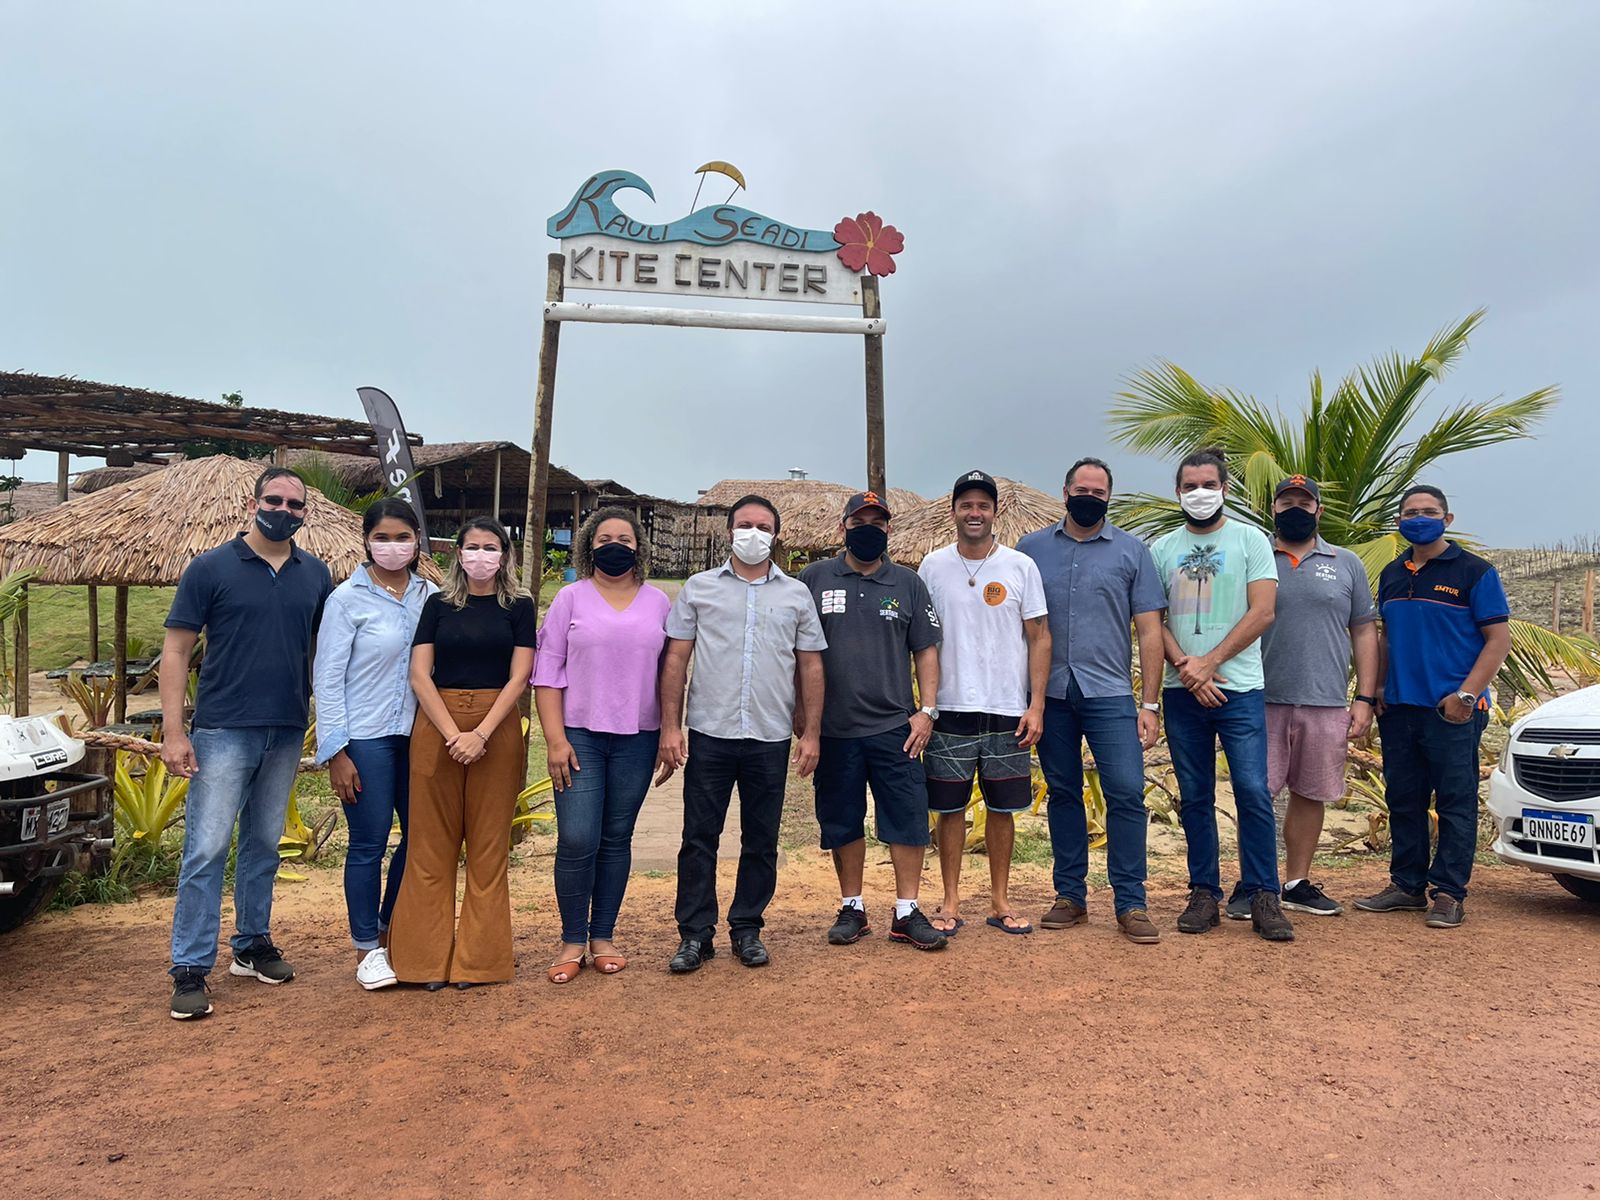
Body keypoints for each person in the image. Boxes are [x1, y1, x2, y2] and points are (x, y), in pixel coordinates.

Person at [161, 466, 333, 1020]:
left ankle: (252, 944)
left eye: (294, 504)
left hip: (285, 729)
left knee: (263, 844)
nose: (283, 510)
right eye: (274, 500)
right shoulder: (210, 568)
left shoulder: (316, 575)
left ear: (305, 513)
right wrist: (173, 731)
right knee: (207, 849)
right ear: (254, 503)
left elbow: (323, 652)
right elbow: (176, 651)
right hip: (223, 729)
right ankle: (190, 966)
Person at [657, 494, 826, 973]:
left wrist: (811, 733)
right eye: (745, 525)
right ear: (729, 532)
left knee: (761, 839)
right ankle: (695, 934)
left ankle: (747, 928)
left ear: (776, 535)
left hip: (769, 736)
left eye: (763, 527)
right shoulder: (699, 588)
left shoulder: (796, 595)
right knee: (698, 837)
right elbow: (676, 659)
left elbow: (811, 666)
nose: (754, 533)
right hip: (710, 732)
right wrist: (671, 726)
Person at [1017, 457, 1166, 944]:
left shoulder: (1132, 551)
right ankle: (1070, 896)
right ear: (1065, 493)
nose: (1089, 498)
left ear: (1109, 498)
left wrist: (1149, 704)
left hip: (1110, 694)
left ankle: (1131, 902)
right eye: (1081, 490)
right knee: (1062, 792)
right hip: (1051, 694)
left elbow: (1150, 630)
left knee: (1125, 791)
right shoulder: (1031, 549)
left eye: (1098, 493)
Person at [1151, 448, 1293, 942]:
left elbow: (1263, 611)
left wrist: (1209, 663)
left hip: (1241, 690)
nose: (1199, 493)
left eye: (1208, 485)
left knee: (1253, 790)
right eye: (1190, 486)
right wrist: (1187, 669)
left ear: (1225, 489)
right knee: (1195, 795)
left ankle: (1263, 894)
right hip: (1182, 692)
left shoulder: (1251, 540)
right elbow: (1151, 620)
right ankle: (1203, 893)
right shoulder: (1161, 548)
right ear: (1178, 492)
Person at [388, 517, 535, 988]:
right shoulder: (438, 605)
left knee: (488, 850)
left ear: (504, 555)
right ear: (458, 553)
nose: (481, 556)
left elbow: (520, 677)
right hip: (438, 726)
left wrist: (481, 734)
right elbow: (419, 675)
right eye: (473, 547)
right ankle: (422, 963)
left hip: (497, 726)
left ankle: (480, 963)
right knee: (430, 847)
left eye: (491, 547)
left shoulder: (519, 607)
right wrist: (454, 733)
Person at [798, 491, 948, 951]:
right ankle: (852, 908)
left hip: (895, 728)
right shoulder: (814, 579)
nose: (869, 530)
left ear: (888, 530)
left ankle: (906, 911)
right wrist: (804, 720)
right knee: (842, 819)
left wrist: (927, 711)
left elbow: (925, 650)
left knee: (907, 818)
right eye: (859, 522)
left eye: (877, 523)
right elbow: (796, 652)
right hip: (834, 729)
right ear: (842, 528)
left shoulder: (907, 583)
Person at [1355, 485, 1510, 928]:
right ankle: (1406, 886)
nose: (1418, 518)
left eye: (1428, 511)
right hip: (1399, 706)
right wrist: (1379, 686)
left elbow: (1498, 640)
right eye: (1410, 512)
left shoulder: (1474, 571)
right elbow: (1386, 636)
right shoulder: (1392, 573)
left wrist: (1466, 696)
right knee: (1404, 798)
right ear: (1398, 521)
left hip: (1453, 710)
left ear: (1447, 519)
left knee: (1455, 802)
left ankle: (1449, 893)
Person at [533, 507, 672, 983]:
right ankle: (572, 939)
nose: (615, 546)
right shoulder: (570, 598)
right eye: (605, 539)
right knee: (577, 838)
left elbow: (670, 673)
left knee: (615, 838)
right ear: (588, 547)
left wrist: (670, 731)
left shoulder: (658, 602)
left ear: (639, 548)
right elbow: (547, 672)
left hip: (638, 737)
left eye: (625, 540)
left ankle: (603, 937)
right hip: (579, 737)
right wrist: (555, 740)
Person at [918, 470, 1050, 936]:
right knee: (949, 808)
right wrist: (926, 705)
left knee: (1002, 807)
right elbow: (921, 640)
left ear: (996, 512)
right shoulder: (932, 566)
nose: (974, 513)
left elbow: (1039, 637)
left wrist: (1036, 705)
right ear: (953, 511)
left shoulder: (1020, 566)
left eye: (983, 506)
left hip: (1007, 708)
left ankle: (1000, 900)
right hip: (949, 707)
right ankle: (950, 900)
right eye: (966, 505)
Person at [313, 498, 437, 990]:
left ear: (417, 541)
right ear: (366, 541)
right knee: (369, 842)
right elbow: (327, 678)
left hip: (419, 735)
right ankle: (366, 948)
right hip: (365, 738)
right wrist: (336, 752)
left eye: (402, 537)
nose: (392, 546)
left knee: (420, 835)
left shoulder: (432, 596)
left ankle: (391, 928)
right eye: (382, 538)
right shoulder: (346, 600)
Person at [1259, 476, 1378, 917]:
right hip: (1259, 699)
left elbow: (1363, 630)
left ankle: (1296, 883)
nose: (1295, 508)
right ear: (1273, 508)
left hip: (1325, 701)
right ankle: (1253, 883)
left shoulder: (1346, 563)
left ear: (1319, 510)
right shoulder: (1255, 556)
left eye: (1304, 502)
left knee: (1310, 793)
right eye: (1286, 501)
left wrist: (1364, 697)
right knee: (1256, 795)